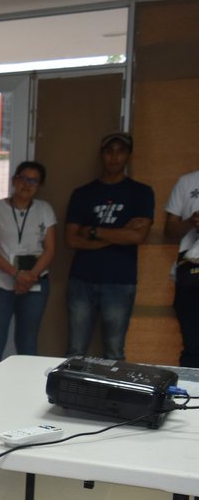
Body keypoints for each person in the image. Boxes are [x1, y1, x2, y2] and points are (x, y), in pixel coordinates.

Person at [64, 132, 154, 360]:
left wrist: (94, 232)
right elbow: (72, 239)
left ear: (128, 156)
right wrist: (121, 232)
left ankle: (112, 396)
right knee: (76, 350)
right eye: (109, 151)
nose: (114, 157)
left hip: (120, 281)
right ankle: (71, 394)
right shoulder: (83, 194)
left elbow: (138, 237)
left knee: (114, 351)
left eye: (121, 151)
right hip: (82, 279)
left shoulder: (141, 193)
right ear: (101, 154)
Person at [0, 161, 57, 371]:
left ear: (39, 185)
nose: (26, 184)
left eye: (33, 180)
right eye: (22, 178)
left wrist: (30, 276)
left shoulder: (44, 209)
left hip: (35, 283)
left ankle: (25, 394)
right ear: (14, 180)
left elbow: (50, 248)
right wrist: (16, 274)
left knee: (28, 342)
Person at [164, 169, 199, 367]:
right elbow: (169, 230)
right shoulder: (187, 181)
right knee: (192, 347)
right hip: (191, 274)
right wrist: (191, 222)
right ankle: (193, 396)